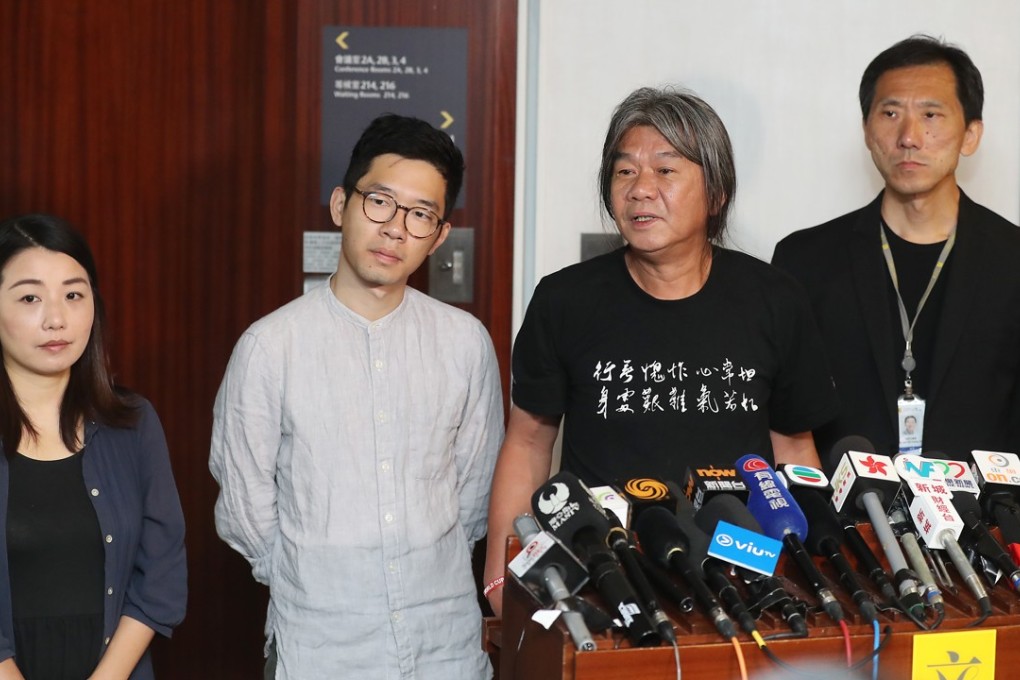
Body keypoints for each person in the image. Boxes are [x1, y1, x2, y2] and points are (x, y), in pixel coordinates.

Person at [483, 86, 838, 615]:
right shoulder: (565, 300)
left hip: (748, 574)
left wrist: (814, 574)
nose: (640, 189)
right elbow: (529, 445)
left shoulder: (774, 299)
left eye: (666, 171)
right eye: (624, 172)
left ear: (716, 193)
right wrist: (500, 577)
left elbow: (791, 448)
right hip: (607, 574)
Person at [210, 114, 504, 679]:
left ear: (439, 236)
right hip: (319, 647)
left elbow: (473, 496)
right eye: (381, 202)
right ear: (341, 205)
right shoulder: (271, 346)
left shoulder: (465, 344)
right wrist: (308, 576)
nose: (396, 228)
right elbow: (245, 502)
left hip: (443, 644)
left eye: (421, 215)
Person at [772, 35, 1020, 465]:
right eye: (890, 113)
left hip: (992, 523)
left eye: (931, 114)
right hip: (845, 521)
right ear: (867, 130)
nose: (909, 136)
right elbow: (786, 420)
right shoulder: (803, 261)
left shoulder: (1013, 260)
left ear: (971, 134)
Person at [0, 214, 187, 679]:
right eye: (29, 297)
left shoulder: (133, 423)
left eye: (73, 294)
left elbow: (160, 577)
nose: (57, 318)